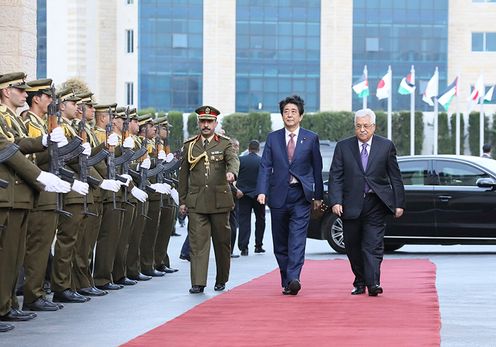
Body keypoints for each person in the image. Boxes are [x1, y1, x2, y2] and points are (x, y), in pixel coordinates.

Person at [328, 108, 405, 297]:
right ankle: (360, 281)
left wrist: (399, 203)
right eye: (359, 126)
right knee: (353, 246)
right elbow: (335, 176)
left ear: (373, 127)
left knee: (372, 244)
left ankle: (373, 283)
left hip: (376, 203)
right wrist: (335, 201)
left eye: (366, 126)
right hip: (350, 203)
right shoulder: (343, 147)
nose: (362, 129)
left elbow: (395, 177)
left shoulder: (385, 146)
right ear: (355, 127)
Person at [256, 95, 323, 296]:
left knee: (297, 238)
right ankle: (286, 279)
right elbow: (265, 165)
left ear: (301, 116)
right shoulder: (273, 138)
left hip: (301, 195)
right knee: (280, 240)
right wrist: (261, 190)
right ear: (282, 115)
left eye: (294, 111)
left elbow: (317, 169)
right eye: (286, 111)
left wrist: (318, 196)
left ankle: (294, 277)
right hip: (278, 195)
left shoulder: (310, 138)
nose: (290, 115)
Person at [178, 105, 239, 294]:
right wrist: (182, 200)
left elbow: (233, 160)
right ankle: (198, 282)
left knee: (222, 243)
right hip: (196, 202)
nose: (205, 125)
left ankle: (221, 279)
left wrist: (232, 173)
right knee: (197, 244)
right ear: (198, 123)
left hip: (220, 201)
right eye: (202, 121)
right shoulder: (190, 145)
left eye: (209, 122)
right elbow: (183, 175)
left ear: (215, 123)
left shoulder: (225, 143)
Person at [237, 140, 266, 255]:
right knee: (260, 219)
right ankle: (258, 245)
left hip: (244, 195)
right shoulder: (262, 161)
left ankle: (244, 247)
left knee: (244, 220)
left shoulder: (241, 160)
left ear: (248, 149)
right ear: (258, 149)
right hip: (259, 195)